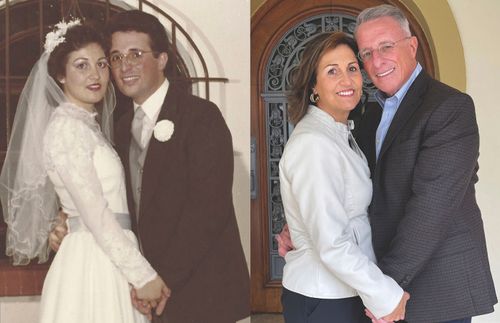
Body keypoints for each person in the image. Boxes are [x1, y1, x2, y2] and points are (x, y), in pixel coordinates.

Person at [278, 4, 497, 323]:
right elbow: (345, 195)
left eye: (386, 47)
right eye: (366, 53)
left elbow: (430, 209)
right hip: (374, 288)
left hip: (435, 288)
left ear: (411, 46)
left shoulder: (448, 108)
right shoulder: (366, 117)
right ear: (314, 86)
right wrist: (303, 225)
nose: (376, 61)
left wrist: (384, 290)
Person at [50, 10, 250, 323]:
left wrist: (158, 280)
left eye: (135, 54)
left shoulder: (201, 117)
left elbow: (208, 210)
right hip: (143, 293)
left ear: (161, 60)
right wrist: (67, 218)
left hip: (201, 292)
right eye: (115, 57)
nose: (123, 66)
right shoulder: (116, 129)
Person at [0, 21, 169, 323]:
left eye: (102, 64)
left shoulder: (87, 126)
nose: (95, 75)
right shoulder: (66, 129)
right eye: (81, 66)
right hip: (94, 262)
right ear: (60, 76)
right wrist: (143, 275)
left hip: (110, 254)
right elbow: (95, 214)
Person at [278, 31, 409, 323]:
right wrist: (387, 296)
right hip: (324, 298)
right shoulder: (314, 143)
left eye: (352, 69)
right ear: (314, 85)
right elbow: (331, 242)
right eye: (332, 71)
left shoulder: (339, 134)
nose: (346, 80)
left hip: (343, 293)